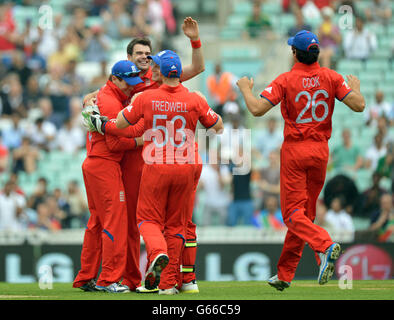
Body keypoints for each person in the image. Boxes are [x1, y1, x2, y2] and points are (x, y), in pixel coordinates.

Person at [82, 17, 205, 293]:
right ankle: (138, 278)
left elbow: (198, 67)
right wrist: (92, 95)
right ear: (129, 57)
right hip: (135, 159)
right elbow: (109, 91)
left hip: (150, 156)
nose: (145, 58)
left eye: (148, 54)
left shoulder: (158, 77)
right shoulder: (127, 80)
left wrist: (195, 41)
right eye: (139, 54)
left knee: (159, 220)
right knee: (134, 222)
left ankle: (180, 277)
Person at [236, 30, 365, 290]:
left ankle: (326, 246)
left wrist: (245, 90)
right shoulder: (331, 77)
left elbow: (257, 109)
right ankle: (284, 274)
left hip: (296, 150)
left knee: (293, 215)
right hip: (320, 151)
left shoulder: (286, 79)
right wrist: (357, 88)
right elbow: (359, 105)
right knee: (304, 214)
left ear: (295, 53)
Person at [114, 50, 223, 295]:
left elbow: (121, 123)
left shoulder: (147, 98)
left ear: (162, 72)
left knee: (147, 220)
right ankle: (167, 285)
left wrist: (127, 109)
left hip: (157, 165)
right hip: (187, 166)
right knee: (177, 226)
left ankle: (157, 251)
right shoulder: (195, 98)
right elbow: (218, 127)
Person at [72, 60, 144, 293]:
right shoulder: (111, 101)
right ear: (115, 79)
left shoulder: (104, 95)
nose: (131, 87)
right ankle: (109, 279)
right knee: (116, 220)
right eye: (127, 83)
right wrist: (141, 137)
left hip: (94, 163)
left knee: (97, 222)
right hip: (105, 164)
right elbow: (115, 143)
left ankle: (86, 277)